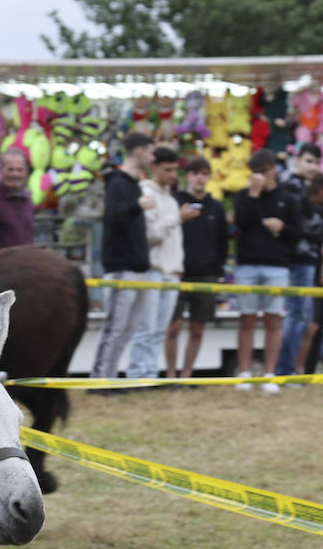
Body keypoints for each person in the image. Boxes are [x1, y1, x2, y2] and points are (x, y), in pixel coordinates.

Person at [232, 148, 301, 392]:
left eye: (264, 171)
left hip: (277, 266)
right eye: (255, 172)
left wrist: (282, 227)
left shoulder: (288, 198)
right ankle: (245, 373)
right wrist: (253, 194)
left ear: (274, 169)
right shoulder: (245, 195)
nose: (260, 176)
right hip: (247, 264)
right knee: (246, 319)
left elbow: (297, 234)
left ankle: (270, 374)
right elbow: (239, 224)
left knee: (273, 320)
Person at [90, 131, 155, 382]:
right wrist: (137, 206)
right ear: (138, 152)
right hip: (121, 267)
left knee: (126, 329)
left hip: (136, 267)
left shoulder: (130, 183)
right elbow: (114, 217)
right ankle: (101, 379)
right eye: (149, 152)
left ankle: (109, 376)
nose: (151, 157)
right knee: (115, 329)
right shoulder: (118, 183)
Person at [166, 156, 228, 379]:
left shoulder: (216, 208)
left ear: (209, 177)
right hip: (178, 274)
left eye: (204, 173)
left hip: (206, 275)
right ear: (187, 176)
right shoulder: (175, 202)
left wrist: (217, 271)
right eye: (195, 173)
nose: (200, 178)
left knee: (197, 328)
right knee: (172, 327)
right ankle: (170, 374)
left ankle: (186, 374)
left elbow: (223, 243)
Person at [133, 146, 183, 381]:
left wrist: (178, 268)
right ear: (155, 168)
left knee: (159, 329)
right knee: (145, 328)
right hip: (152, 270)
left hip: (171, 272)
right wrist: (177, 219)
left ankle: (151, 374)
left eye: (175, 170)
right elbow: (150, 235)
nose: (172, 175)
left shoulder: (171, 200)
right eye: (167, 169)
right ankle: (136, 374)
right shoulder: (145, 193)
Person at [275, 143, 323, 373]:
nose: (312, 166)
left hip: (305, 257)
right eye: (308, 161)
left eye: (316, 162)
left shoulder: (302, 186)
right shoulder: (290, 185)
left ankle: (289, 369)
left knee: (300, 317)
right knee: (296, 315)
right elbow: (304, 224)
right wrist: (317, 225)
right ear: (296, 160)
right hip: (296, 257)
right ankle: (285, 370)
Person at [295, 172, 323, 374]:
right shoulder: (304, 210)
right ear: (321, 191)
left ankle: (300, 369)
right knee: (303, 325)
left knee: (313, 326)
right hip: (302, 270)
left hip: (317, 274)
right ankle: (292, 369)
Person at [0, 149, 34, 250]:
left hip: (25, 261)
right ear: (1, 170)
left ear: (26, 172)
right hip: (2, 263)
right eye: (10, 169)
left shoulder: (27, 198)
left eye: (19, 170)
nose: (15, 174)